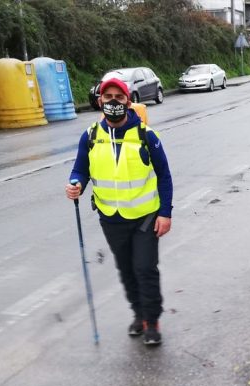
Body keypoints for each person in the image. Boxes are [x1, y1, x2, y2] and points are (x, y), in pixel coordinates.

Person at [65, 78, 173, 345]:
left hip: (145, 216)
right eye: (108, 96)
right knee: (126, 269)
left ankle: (152, 321)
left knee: (145, 268)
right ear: (100, 101)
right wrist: (75, 183)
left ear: (128, 101)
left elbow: (164, 176)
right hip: (111, 218)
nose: (113, 101)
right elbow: (81, 169)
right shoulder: (90, 136)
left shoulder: (146, 136)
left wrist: (165, 213)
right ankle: (139, 314)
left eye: (119, 97)